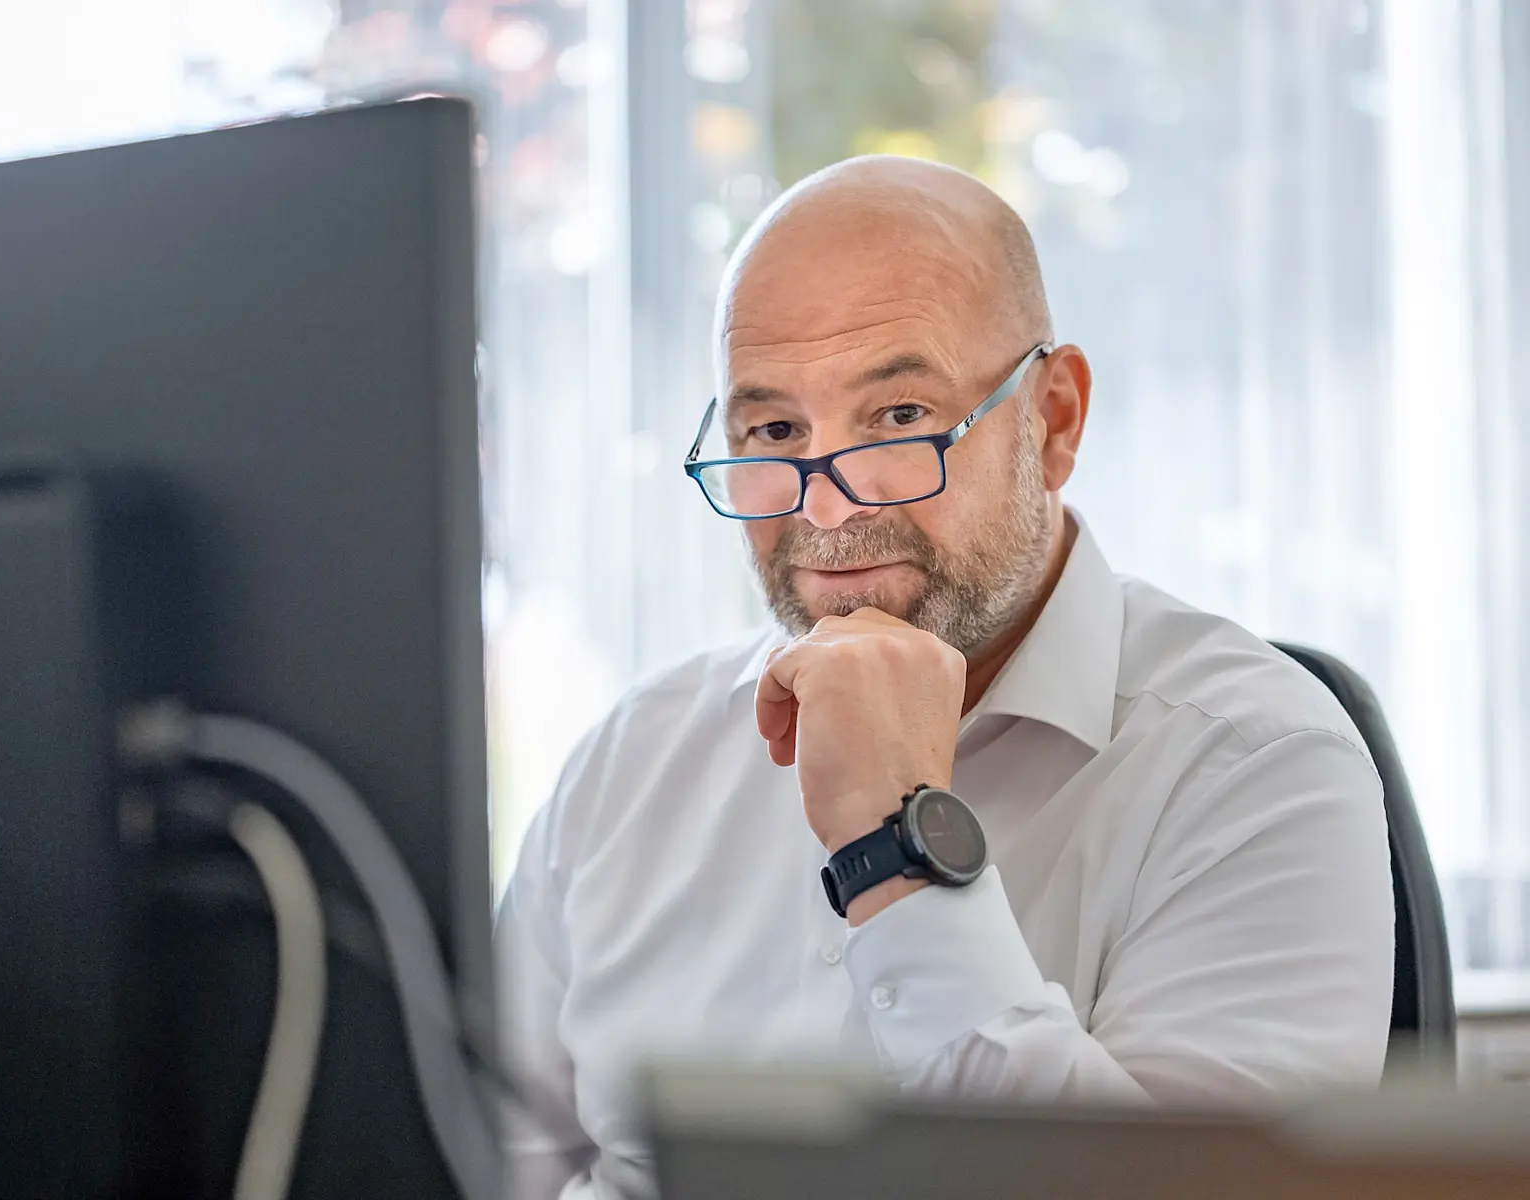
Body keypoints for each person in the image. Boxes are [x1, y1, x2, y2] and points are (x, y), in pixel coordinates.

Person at [494, 156, 1394, 1199]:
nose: (826, 511)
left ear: (1052, 421)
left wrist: (898, 851)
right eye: (775, 431)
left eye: (900, 417)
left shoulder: (1262, 768)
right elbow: (458, 1159)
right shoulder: (632, 763)